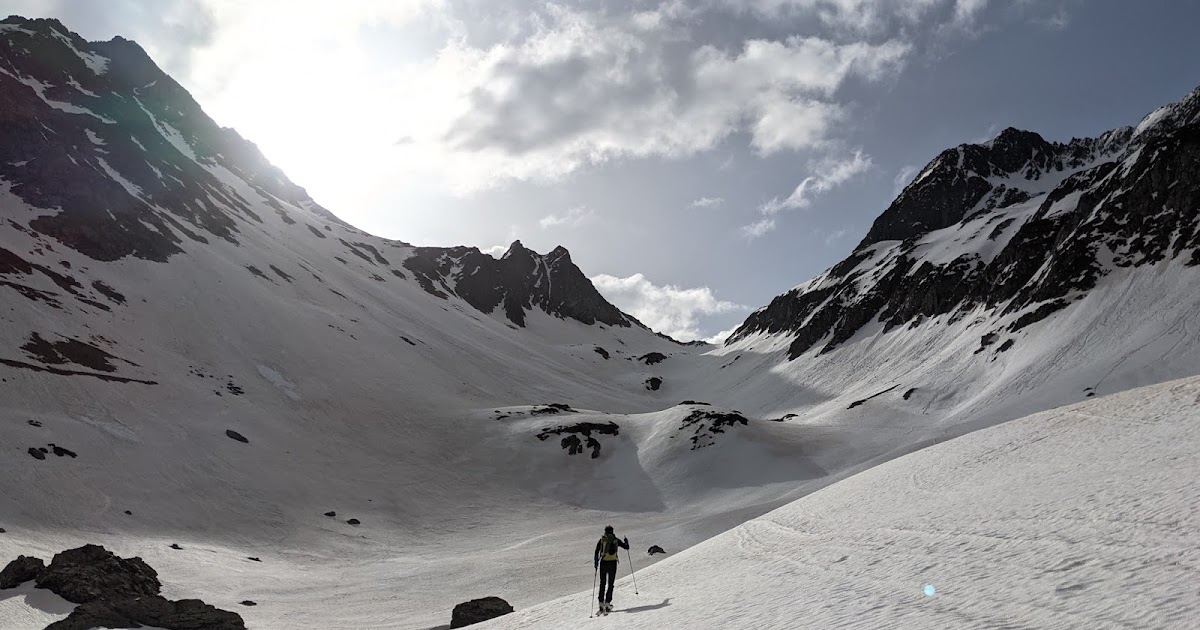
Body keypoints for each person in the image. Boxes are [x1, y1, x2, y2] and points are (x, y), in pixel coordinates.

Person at [593, 525, 629, 613]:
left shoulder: (602, 540)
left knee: (602, 583)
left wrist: (596, 562)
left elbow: (596, 551)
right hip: (612, 563)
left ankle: (601, 602)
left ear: (605, 531)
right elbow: (626, 547)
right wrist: (626, 541)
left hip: (603, 562)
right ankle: (608, 602)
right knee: (610, 583)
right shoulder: (616, 540)